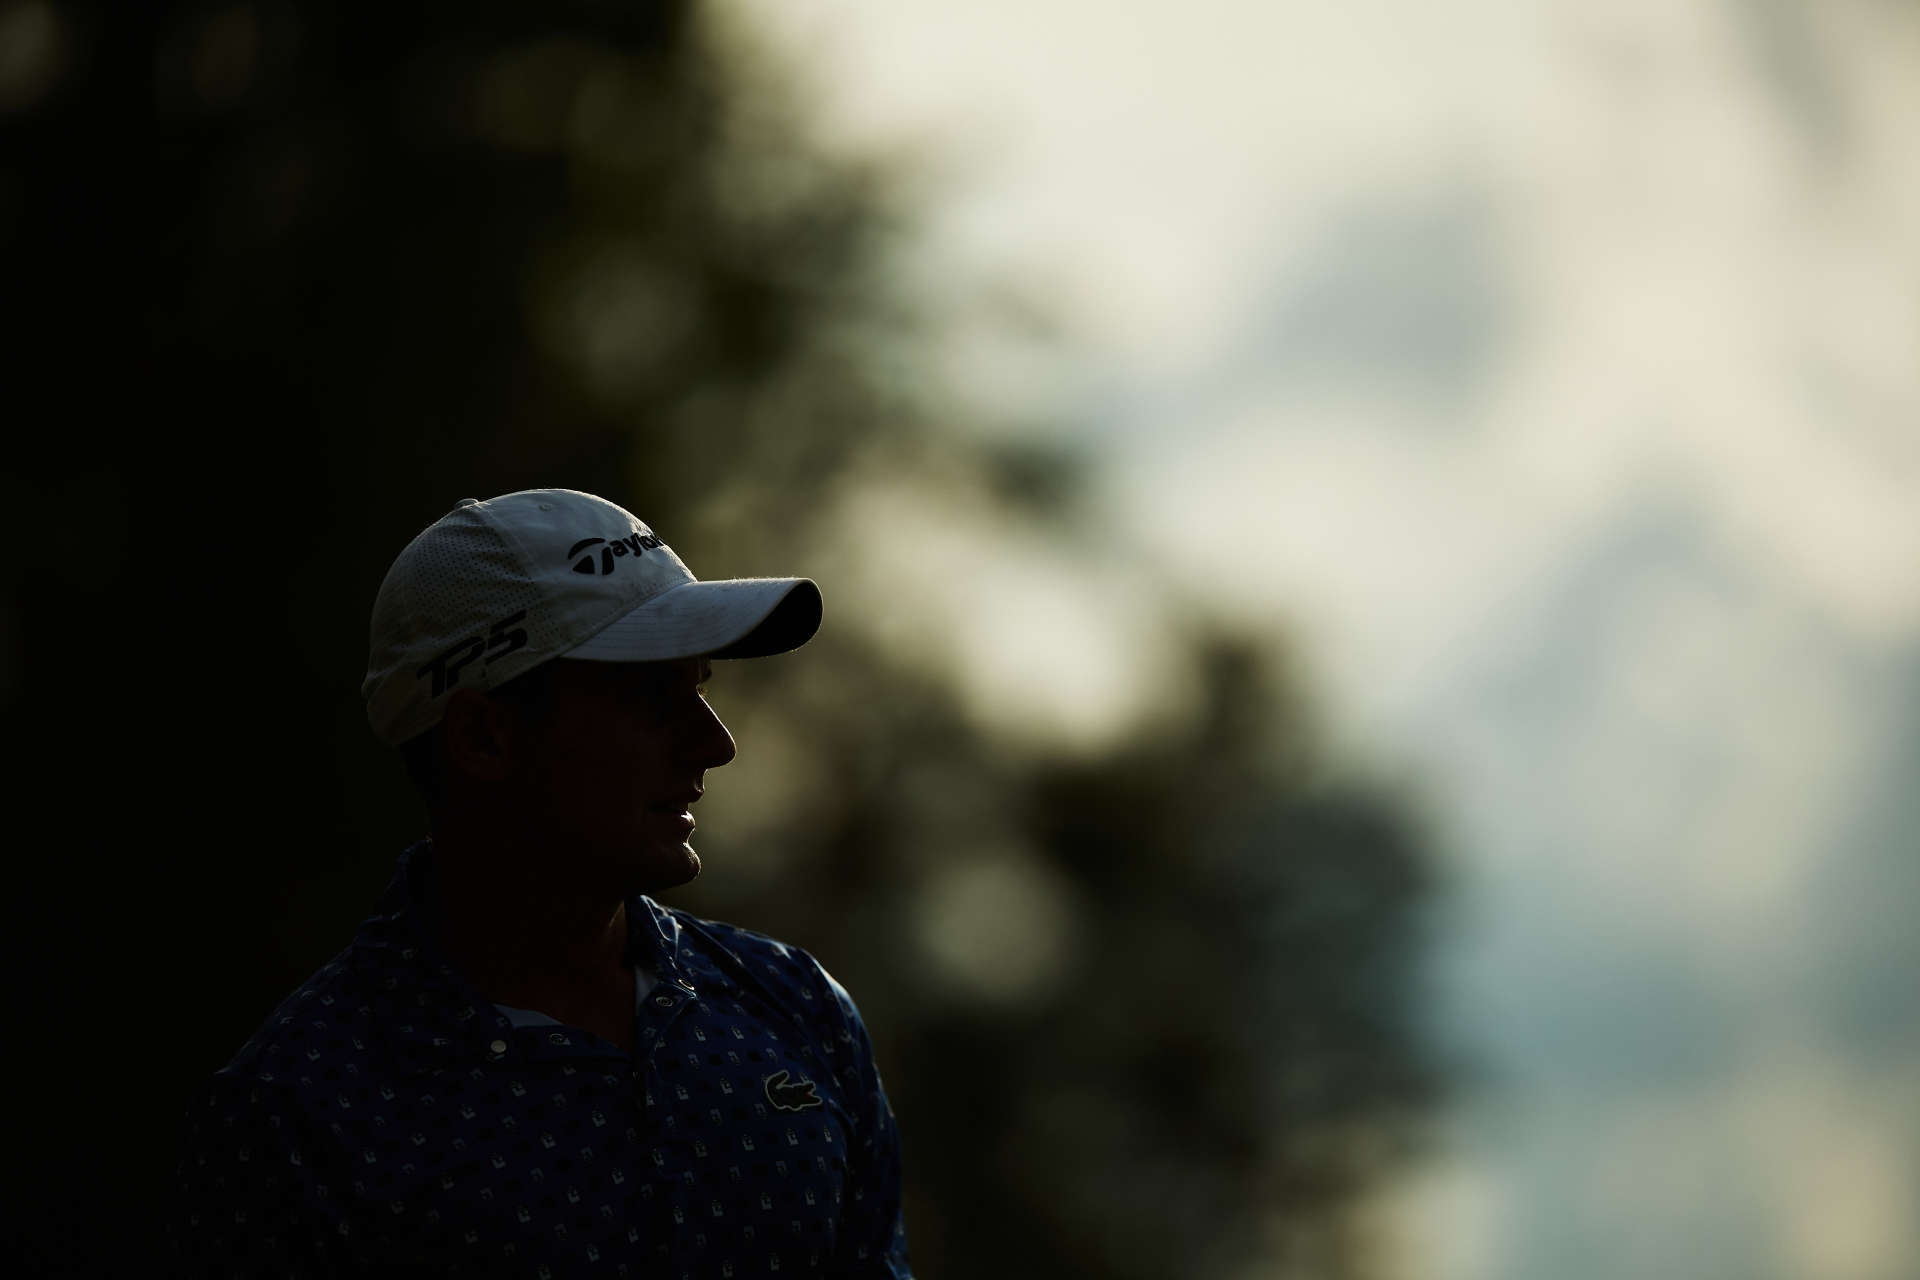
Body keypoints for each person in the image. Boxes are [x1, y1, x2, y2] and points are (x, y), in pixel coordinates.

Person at [169, 488, 912, 1278]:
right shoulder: (300, 1115)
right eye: (655, 696)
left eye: (701, 688)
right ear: (484, 737)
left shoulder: (797, 1010)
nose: (715, 745)